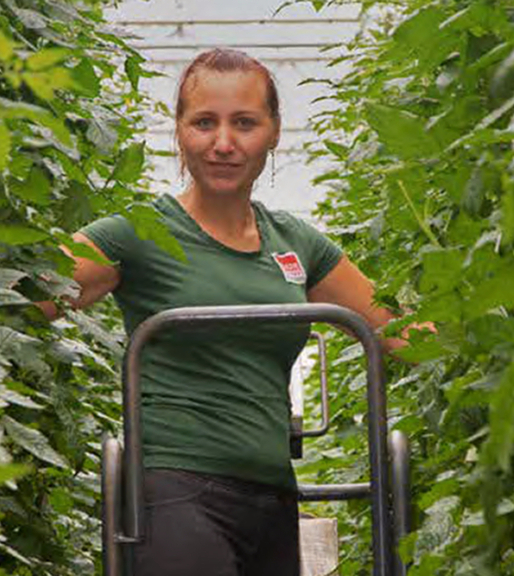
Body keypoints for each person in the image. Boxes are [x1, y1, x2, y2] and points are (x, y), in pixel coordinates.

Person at [38, 48, 426, 576]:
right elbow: (25, 298)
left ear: (273, 132)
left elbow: (400, 335)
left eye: (244, 123)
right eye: (204, 123)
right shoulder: (138, 232)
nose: (223, 143)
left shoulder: (296, 242)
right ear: (179, 132)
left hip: (271, 498)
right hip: (174, 493)